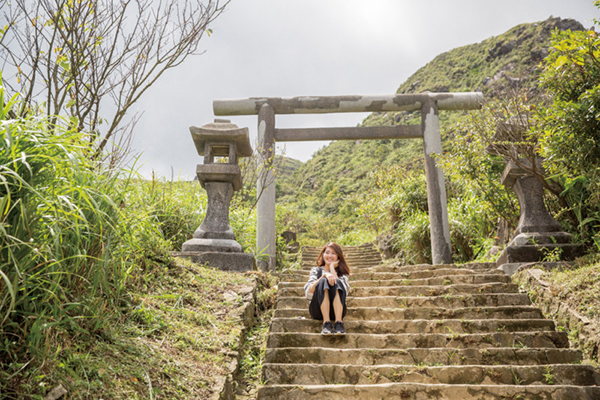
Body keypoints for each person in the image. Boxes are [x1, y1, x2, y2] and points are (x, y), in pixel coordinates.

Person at [304, 242, 351, 335]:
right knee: (323, 281)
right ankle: (326, 323)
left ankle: (339, 323)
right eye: (327, 252)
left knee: (338, 282)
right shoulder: (316, 271)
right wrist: (324, 275)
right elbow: (308, 293)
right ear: (323, 255)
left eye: (333, 253)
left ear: (338, 256)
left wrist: (332, 268)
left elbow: (344, 291)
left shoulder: (342, 273)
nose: (330, 255)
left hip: (337, 311)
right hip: (318, 311)